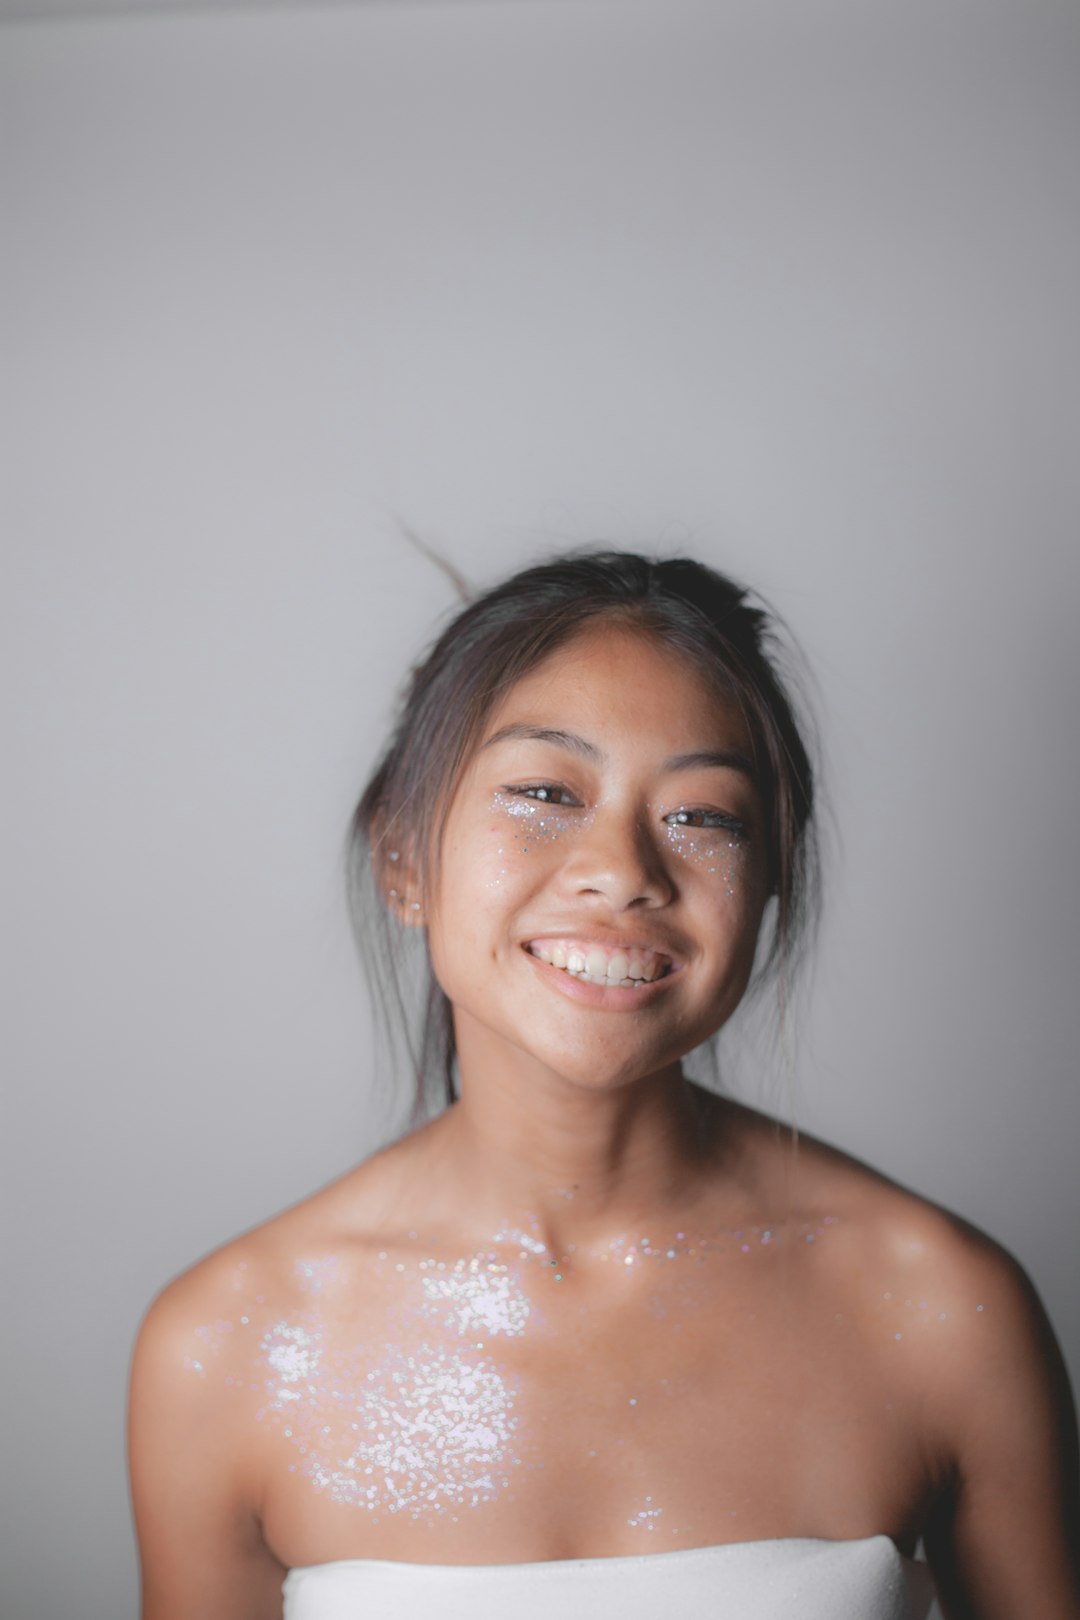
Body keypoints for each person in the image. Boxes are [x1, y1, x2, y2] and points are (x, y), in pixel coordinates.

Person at [128, 550, 1079, 1620]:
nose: (624, 869)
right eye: (543, 791)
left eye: (704, 817)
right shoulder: (226, 1345)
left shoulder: (940, 1306)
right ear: (402, 860)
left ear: (768, 885)